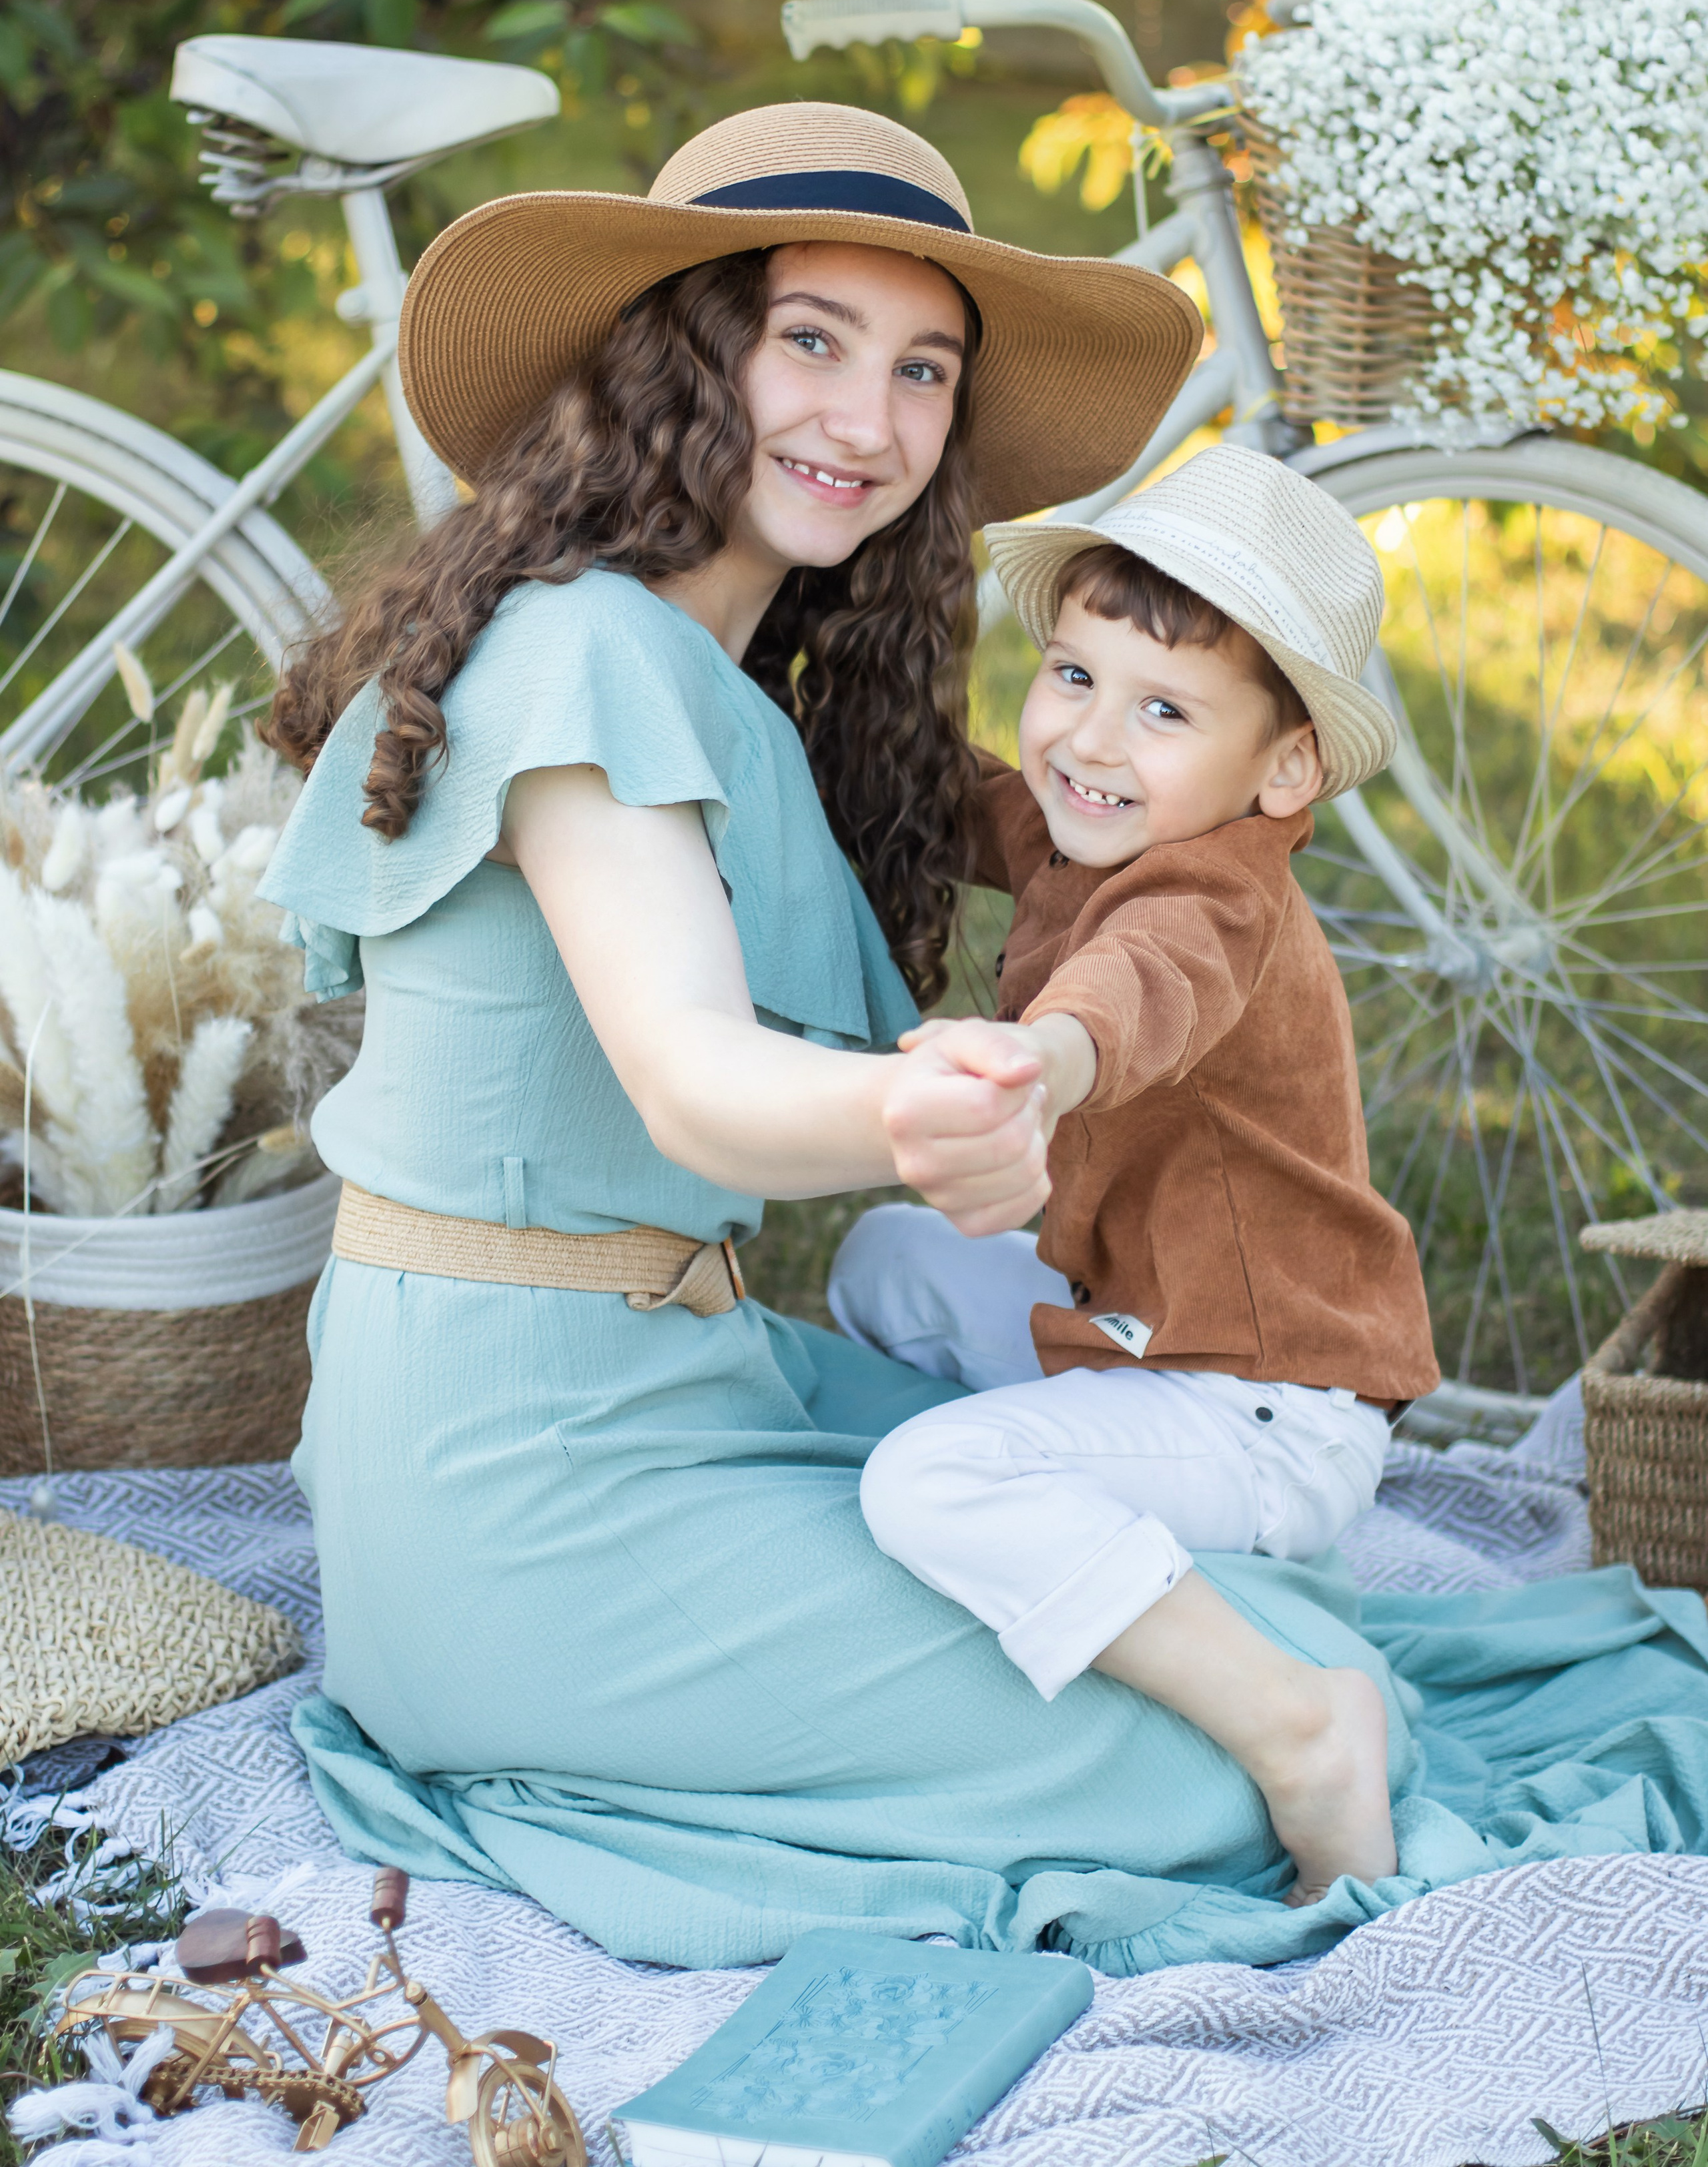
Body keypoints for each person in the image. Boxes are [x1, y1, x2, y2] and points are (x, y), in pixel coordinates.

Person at [257, 100, 1708, 1980]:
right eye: (810, 339)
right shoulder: (587, 654)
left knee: (1224, 1596)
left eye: (922, 367)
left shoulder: (706, 673)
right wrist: (927, 1101)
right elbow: (693, 1076)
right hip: (514, 1482)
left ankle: (1233, 1674)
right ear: (679, 353)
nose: (867, 419)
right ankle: (1274, 1733)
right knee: (1218, 1751)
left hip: (661, 1376)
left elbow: (1067, 878)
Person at [839, 446, 1441, 1901]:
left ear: (1284, 769)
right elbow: (978, 802)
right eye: (1071, 676)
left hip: (1266, 1408)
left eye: (1164, 709)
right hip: (1152, 1338)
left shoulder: (1213, 896)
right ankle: (1080, 1531)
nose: (1090, 740)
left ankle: (1299, 1725)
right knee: (887, 1263)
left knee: (926, 1482)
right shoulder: (1108, 820)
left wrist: (1039, 1061)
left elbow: (1140, 987)